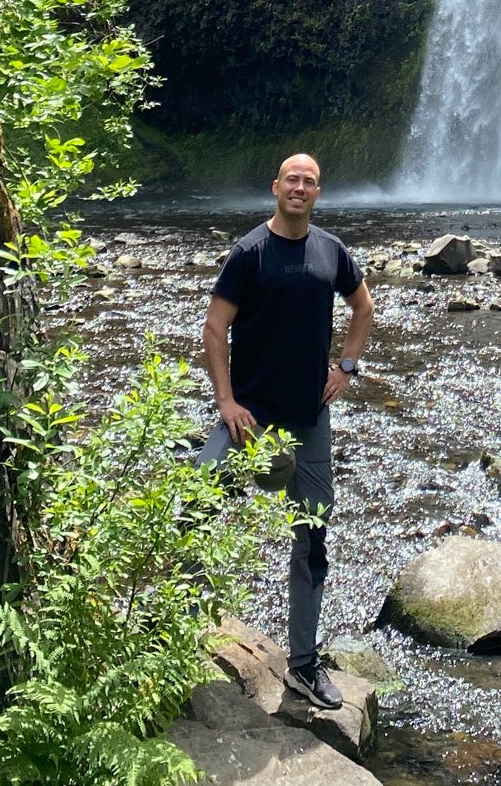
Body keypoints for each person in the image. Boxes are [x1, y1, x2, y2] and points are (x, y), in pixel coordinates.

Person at [200, 152, 374, 710]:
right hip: (248, 419)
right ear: (276, 187)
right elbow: (214, 326)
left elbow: (363, 308)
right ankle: (165, 637)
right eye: (292, 180)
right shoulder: (250, 251)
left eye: (310, 182)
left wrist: (345, 368)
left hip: (309, 420)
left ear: (317, 194)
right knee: (194, 508)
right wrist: (226, 400)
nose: (300, 188)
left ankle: (302, 664)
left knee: (313, 539)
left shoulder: (331, 250)